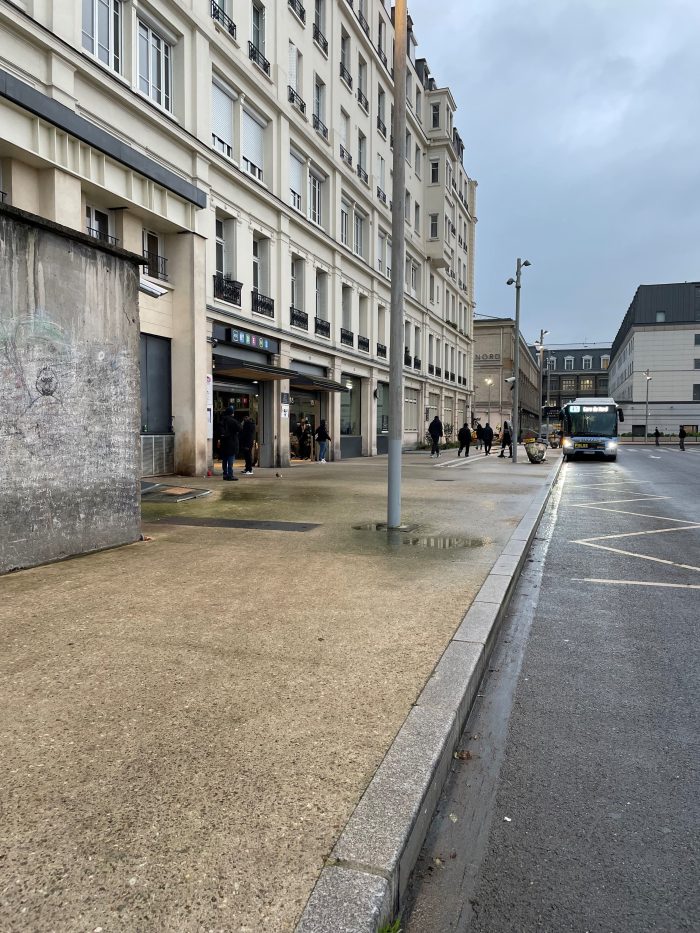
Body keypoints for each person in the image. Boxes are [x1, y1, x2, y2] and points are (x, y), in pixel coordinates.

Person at [219, 406, 240, 481]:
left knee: (224, 459)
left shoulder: (222, 420)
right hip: (231, 443)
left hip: (224, 443)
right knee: (230, 459)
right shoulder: (233, 421)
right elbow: (239, 428)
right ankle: (230, 475)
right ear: (232, 413)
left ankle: (225, 474)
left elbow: (219, 431)